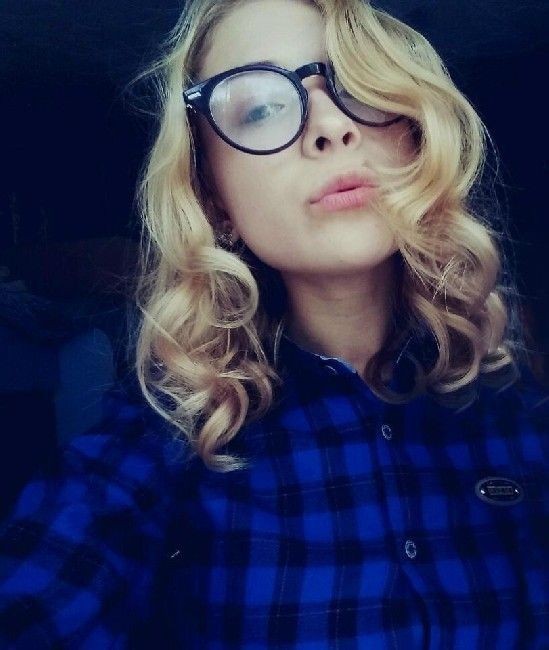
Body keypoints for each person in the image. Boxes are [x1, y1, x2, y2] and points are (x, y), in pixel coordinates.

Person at [0, 0, 547, 647]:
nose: (332, 126)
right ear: (214, 200)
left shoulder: (514, 411)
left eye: (359, 84)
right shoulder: (167, 440)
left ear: (414, 137)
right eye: (259, 108)